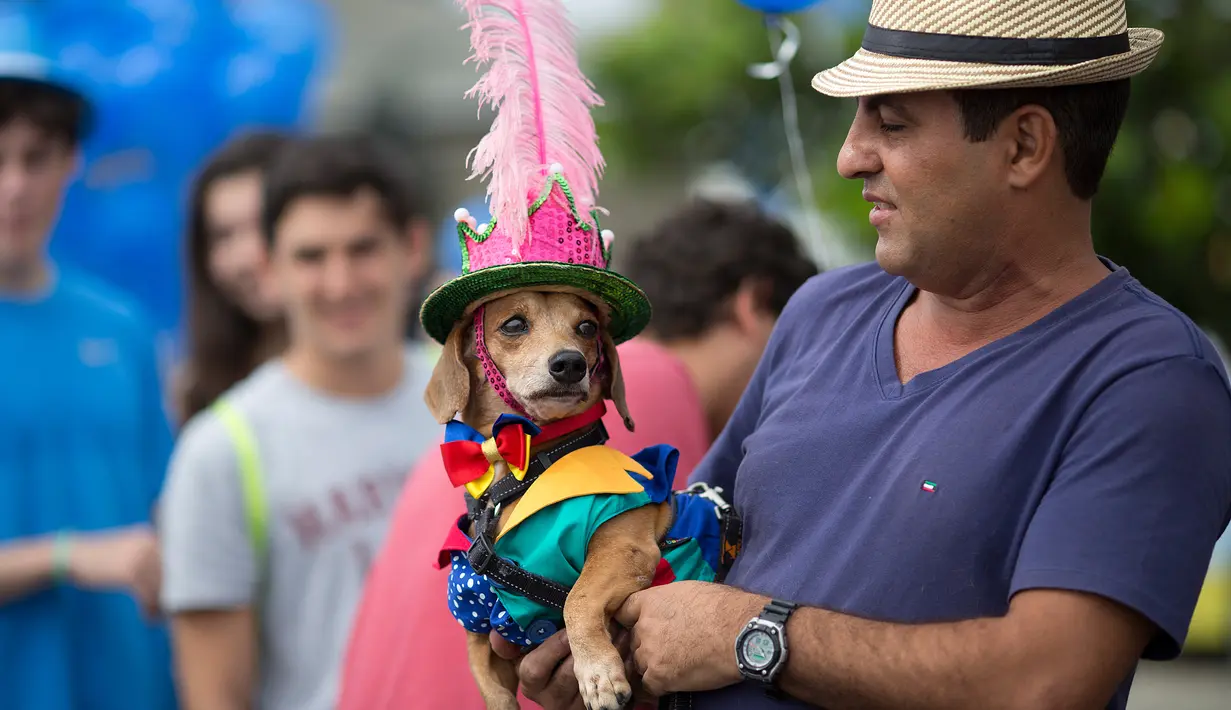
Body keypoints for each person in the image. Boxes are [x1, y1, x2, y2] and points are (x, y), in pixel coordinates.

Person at [512, 2, 1231, 710]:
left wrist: (753, 636)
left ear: (1023, 147)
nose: (849, 156)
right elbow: (681, 560)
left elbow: (1042, 682)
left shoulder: (1150, 381)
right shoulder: (821, 311)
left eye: (890, 123)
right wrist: (593, 643)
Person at [336, 198, 818, 709]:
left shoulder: (483, 469)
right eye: (516, 325)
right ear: (754, 305)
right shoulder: (663, 384)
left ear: (602, 358)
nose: (566, 355)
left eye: (584, 329)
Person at [158, 134, 439, 710]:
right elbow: (215, 694)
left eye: (363, 249)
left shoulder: (479, 403)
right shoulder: (220, 449)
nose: (340, 284)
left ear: (412, 248)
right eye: (311, 257)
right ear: (269, 266)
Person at [0, 20, 176, 710]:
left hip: (131, 684)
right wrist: (71, 557)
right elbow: (110, 549)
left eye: (36, 156)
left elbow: (161, 518)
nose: (14, 184)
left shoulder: (122, 327)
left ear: (70, 165)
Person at [176, 130, 291, 423]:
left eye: (263, 224)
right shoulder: (195, 390)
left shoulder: (411, 364)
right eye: (223, 235)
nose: (246, 257)